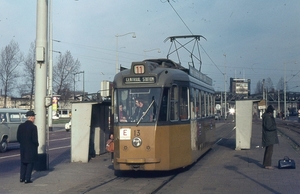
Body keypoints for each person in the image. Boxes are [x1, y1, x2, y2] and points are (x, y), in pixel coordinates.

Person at [17, 110, 39, 183]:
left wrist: (23, 143)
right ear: (31, 117)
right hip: (31, 147)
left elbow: (18, 138)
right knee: (30, 162)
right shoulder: (33, 127)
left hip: (23, 147)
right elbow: (34, 139)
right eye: (34, 117)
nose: (34, 118)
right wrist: (36, 144)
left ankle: (21, 178)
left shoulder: (21, 126)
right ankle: (27, 178)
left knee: (23, 162)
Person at [262, 105, 279, 170]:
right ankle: (267, 165)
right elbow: (269, 127)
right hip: (269, 136)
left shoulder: (267, 116)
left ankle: (266, 164)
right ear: (270, 112)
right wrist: (275, 127)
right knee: (269, 151)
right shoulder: (268, 117)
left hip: (269, 136)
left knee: (268, 150)